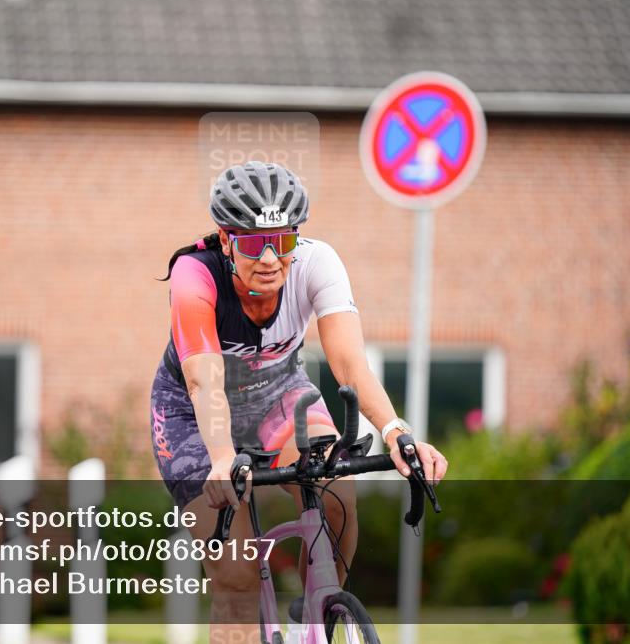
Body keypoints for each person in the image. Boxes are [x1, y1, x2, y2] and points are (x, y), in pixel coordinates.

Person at [150, 160, 448, 641]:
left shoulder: (317, 263)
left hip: (279, 399)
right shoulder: (193, 275)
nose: (271, 258)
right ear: (226, 239)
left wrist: (396, 431)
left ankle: (316, 619)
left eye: (283, 240)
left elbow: (350, 363)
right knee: (238, 576)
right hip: (194, 415)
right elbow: (204, 382)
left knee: (338, 500)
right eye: (254, 243)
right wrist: (223, 458)